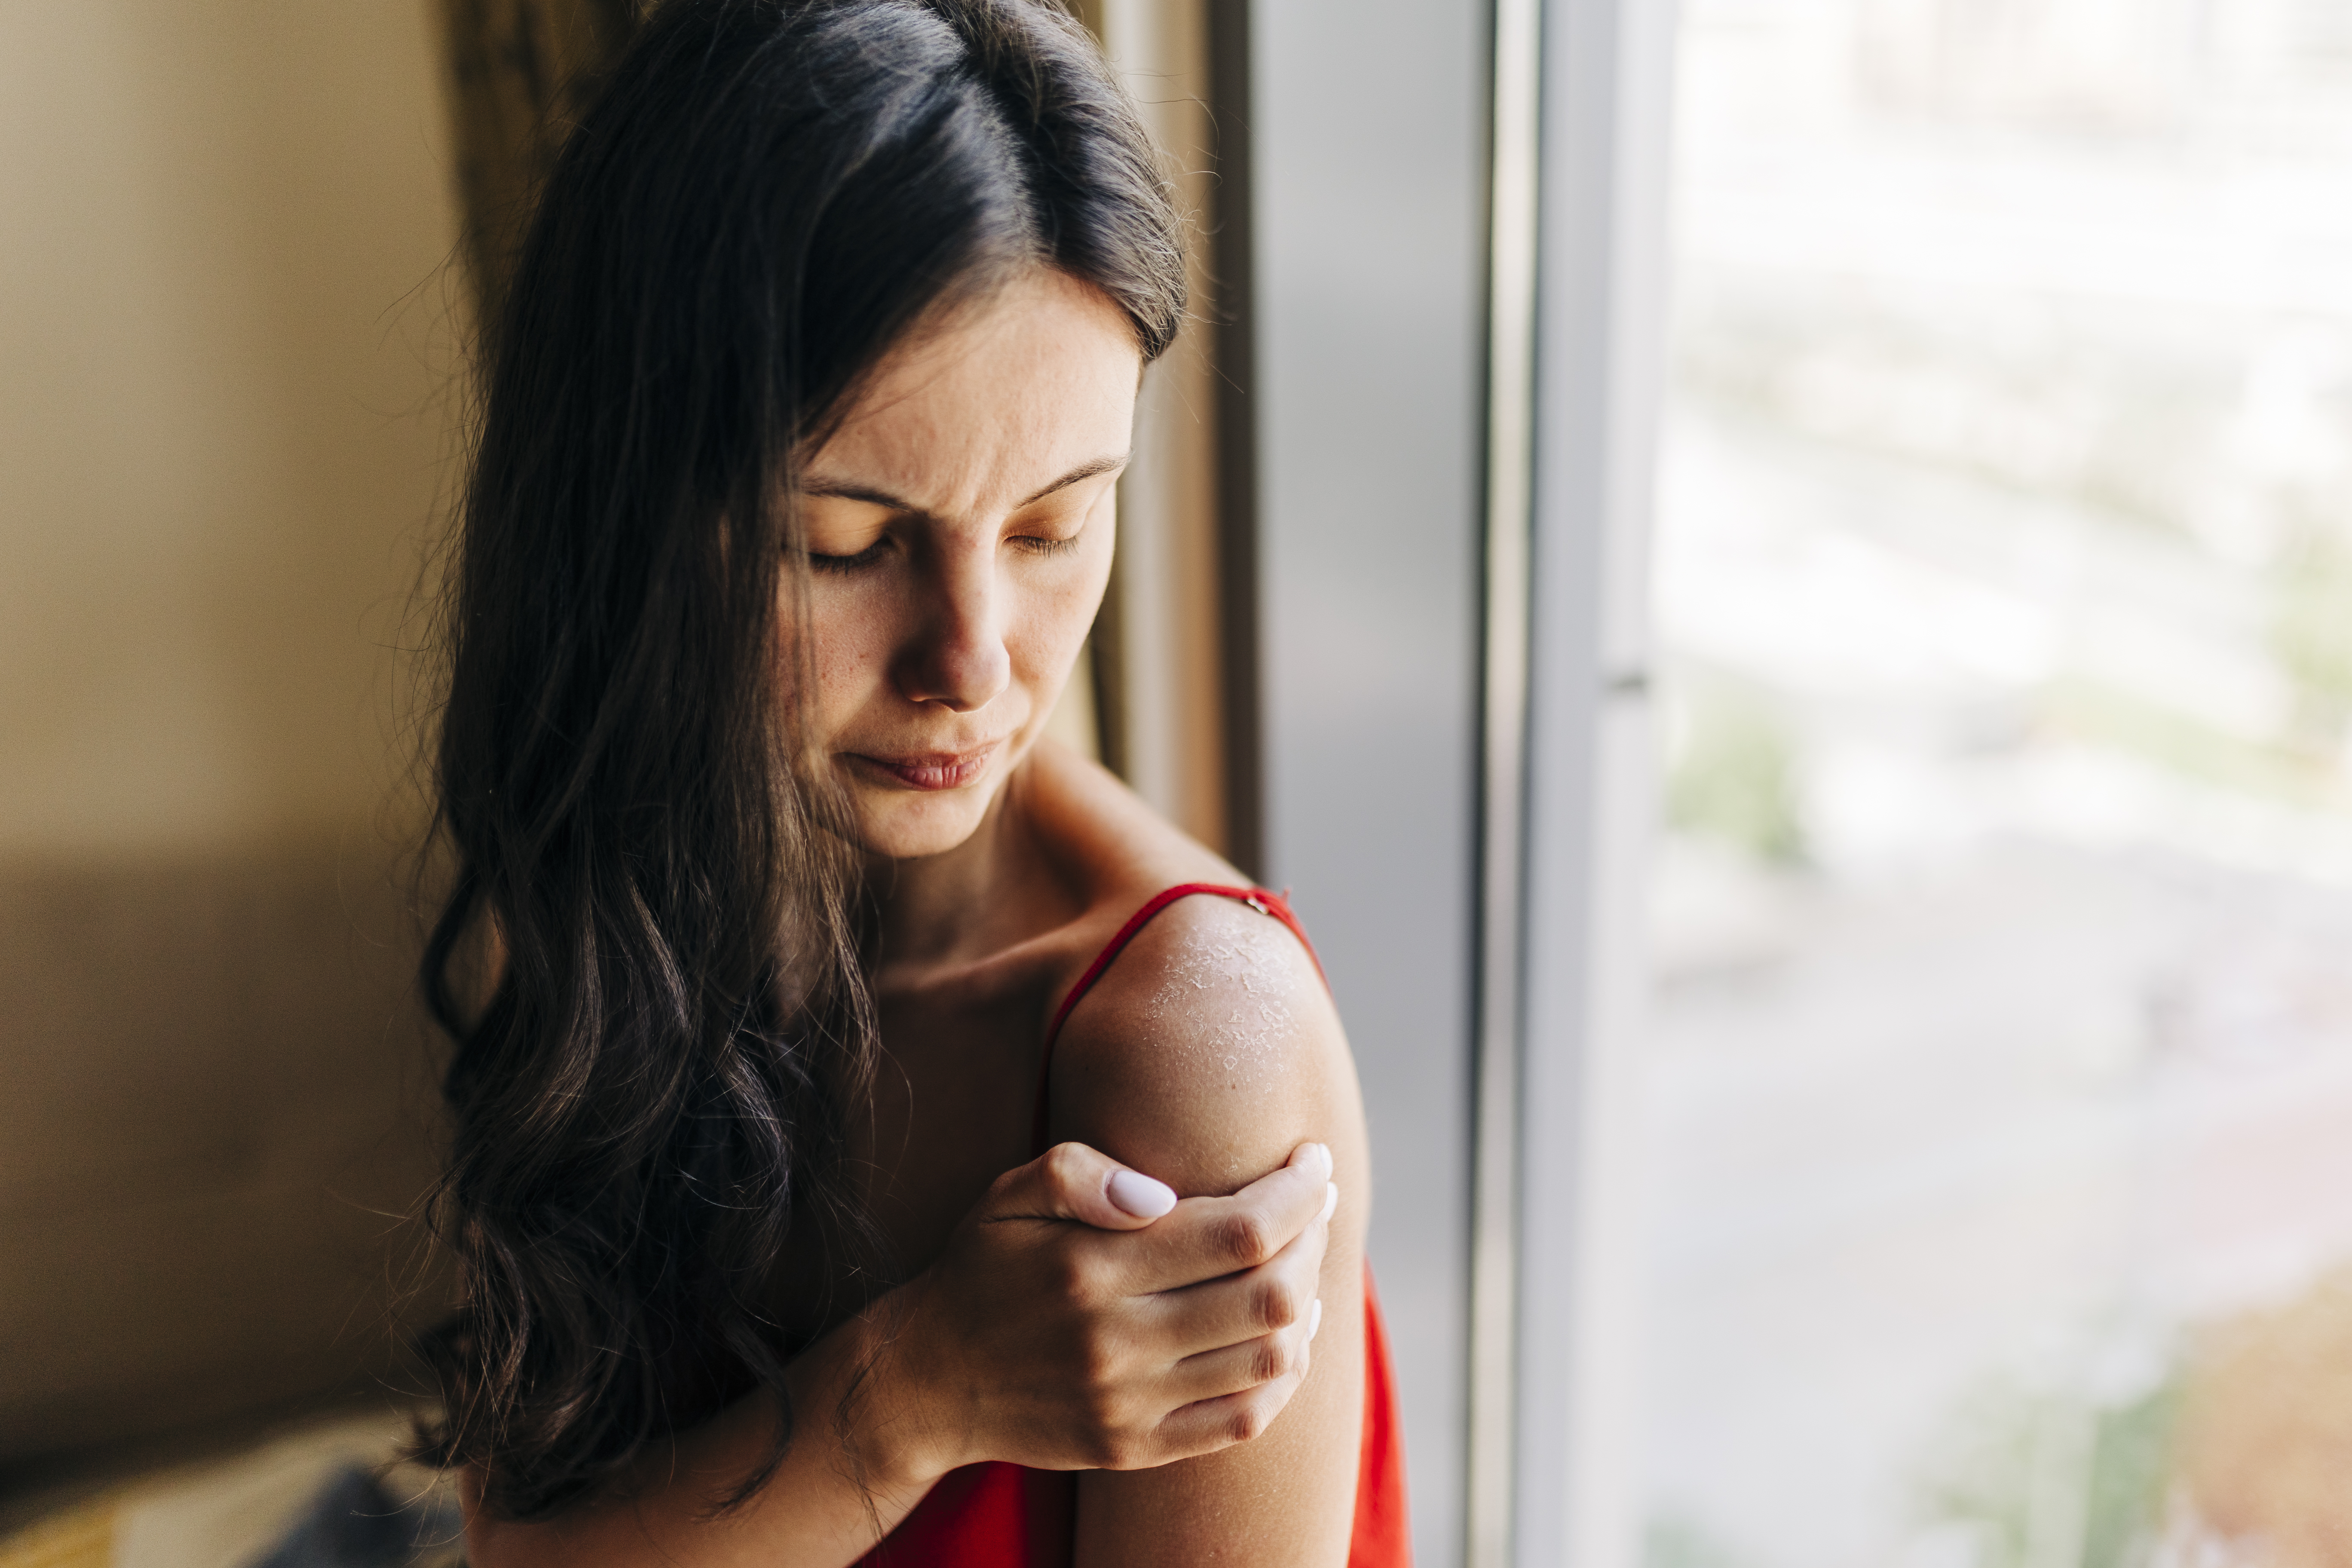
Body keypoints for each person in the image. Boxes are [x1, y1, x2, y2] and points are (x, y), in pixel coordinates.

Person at [416, 1, 1408, 1563]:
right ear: (629, 518)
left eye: (1052, 529)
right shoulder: (611, 893)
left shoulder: (1188, 1055)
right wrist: (915, 1394)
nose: (973, 661)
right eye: (849, 543)